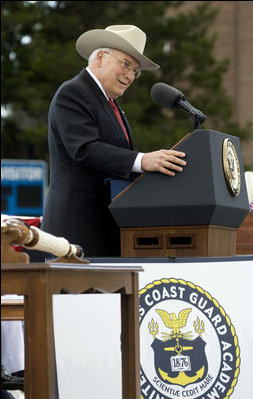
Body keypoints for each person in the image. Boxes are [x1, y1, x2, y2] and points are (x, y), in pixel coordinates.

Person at [41, 25, 187, 257]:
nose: (130, 76)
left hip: (106, 230)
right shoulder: (73, 93)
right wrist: (143, 160)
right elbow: (85, 149)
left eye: (136, 71)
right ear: (100, 57)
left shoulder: (110, 104)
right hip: (76, 231)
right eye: (126, 64)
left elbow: (116, 163)